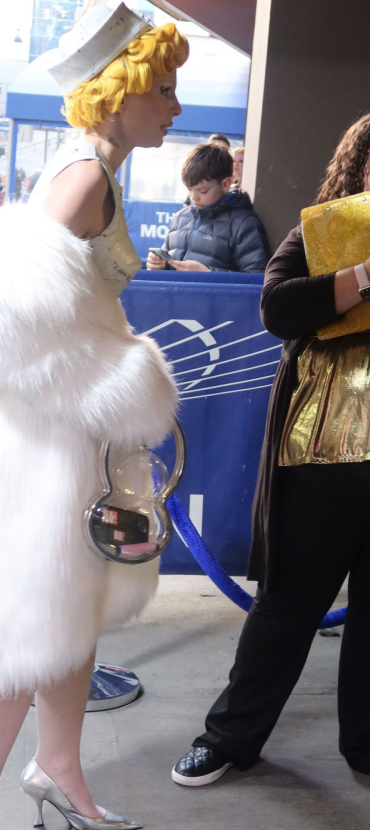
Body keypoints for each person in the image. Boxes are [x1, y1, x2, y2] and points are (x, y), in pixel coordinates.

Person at [0, 5, 188, 830]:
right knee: (25, 628)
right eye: (162, 86)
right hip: (34, 447)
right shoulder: (83, 179)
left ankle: (59, 769)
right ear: (118, 94)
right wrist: (127, 379)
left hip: (55, 440)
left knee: (69, 620)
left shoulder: (93, 170)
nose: (175, 106)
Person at [172, 111, 370, 787]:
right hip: (323, 453)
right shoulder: (323, 230)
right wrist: (362, 276)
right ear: (360, 167)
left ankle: (366, 745)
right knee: (287, 605)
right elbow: (277, 307)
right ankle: (230, 737)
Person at [147, 143, 268, 273]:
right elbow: (168, 263)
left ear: (226, 184)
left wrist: (208, 274)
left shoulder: (245, 224)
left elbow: (256, 279)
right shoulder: (180, 217)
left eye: (203, 191)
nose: (194, 197)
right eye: (189, 189)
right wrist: (158, 265)